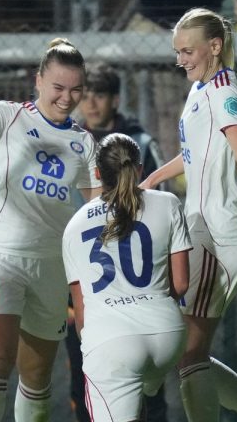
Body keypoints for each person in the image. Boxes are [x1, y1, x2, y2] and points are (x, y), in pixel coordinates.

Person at [0, 35, 102, 421]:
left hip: (52, 269)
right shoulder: (9, 116)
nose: (67, 98)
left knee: (37, 378)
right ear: (38, 81)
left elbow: (99, 207)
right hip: (1, 258)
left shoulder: (84, 143)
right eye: (58, 88)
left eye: (76, 90)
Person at [139, 8, 237, 422]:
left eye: (187, 50)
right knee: (189, 352)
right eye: (177, 52)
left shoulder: (224, 86)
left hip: (221, 232)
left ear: (214, 47)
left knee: (190, 352)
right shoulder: (200, 90)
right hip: (201, 228)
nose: (180, 59)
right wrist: (152, 179)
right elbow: (195, 153)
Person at [62, 133, 191, 422]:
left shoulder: (75, 225)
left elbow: (81, 313)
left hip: (112, 340)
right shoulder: (168, 203)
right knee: (144, 403)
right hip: (167, 335)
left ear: (96, 173)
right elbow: (182, 284)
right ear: (140, 169)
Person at [70, 61, 170, 421]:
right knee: (84, 381)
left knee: (149, 390)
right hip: (91, 284)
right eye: (87, 94)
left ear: (115, 99)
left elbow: (160, 204)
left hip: (138, 285)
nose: (91, 102)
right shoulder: (72, 142)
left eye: (100, 94)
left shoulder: (139, 144)